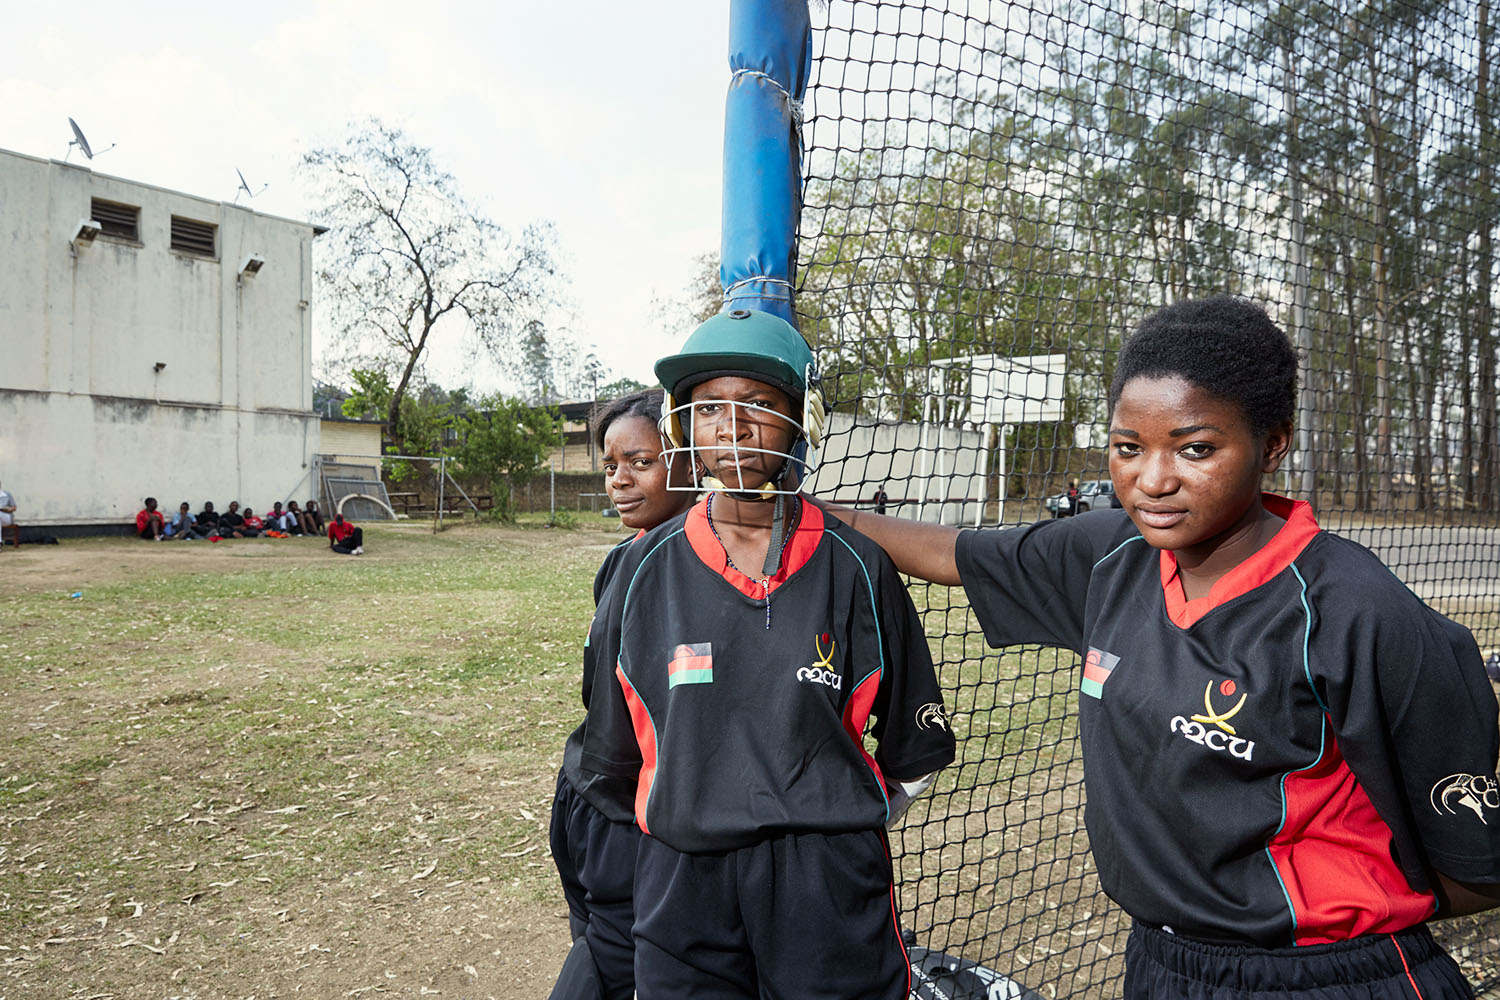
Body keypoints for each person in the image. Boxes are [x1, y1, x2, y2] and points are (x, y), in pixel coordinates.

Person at [818, 296, 1500, 999]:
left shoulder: (1358, 610)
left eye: (1195, 448)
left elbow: (1474, 868)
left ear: (1273, 443)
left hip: (1329, 974)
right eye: (1127, 447)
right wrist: (787, 510)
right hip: (1162, 964)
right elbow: (951, 551)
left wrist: (1320, 916)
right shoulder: (1110, 555)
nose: (1153, 480)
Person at [579, 309, 955, 1000]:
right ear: (682, 425)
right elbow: (608, 758)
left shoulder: (858, 567)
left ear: (800, 419)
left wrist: (828, 821)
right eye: (709, 408)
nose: (733, 427)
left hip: (828, 883)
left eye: (760, 404)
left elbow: (914, 746)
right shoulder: (639, 572)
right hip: (682, 883)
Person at [548, 388, 697, 1000]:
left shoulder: (700, 563)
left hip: (636, 820)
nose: (619, 481)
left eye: (641, 461)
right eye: (610, 466)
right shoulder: (618, 559)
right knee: (600, 949)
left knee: (613, 962)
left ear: (687, 459)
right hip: (587, 800)